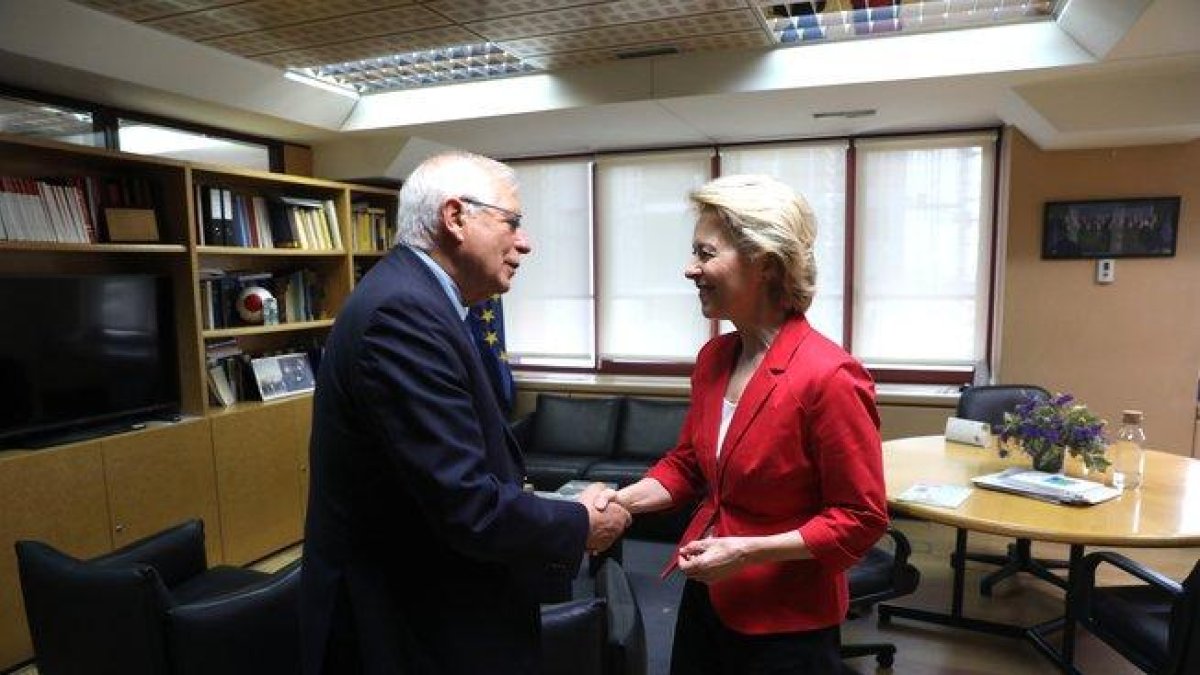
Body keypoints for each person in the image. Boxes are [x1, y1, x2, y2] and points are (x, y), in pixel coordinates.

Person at [300, 151, 631, 675]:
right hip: (403, 626)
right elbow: (464, 503)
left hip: (430, 605)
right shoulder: (403, 315)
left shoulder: (422, 300)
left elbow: (446, 472)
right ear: (455, 218)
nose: (525, 243)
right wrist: (577, 522)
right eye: (513, 223)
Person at [595, 175, 888, 674]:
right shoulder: (715, 356)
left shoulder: (829, 376)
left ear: (766, 264)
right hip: (707, 591)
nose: (691, 270)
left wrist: (749, 553)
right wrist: (622, 501)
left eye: (705, 254)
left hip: (785, 623)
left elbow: (860, 520)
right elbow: (689, 465)